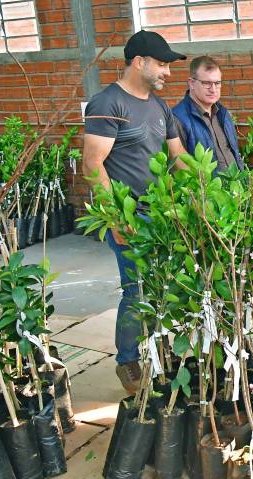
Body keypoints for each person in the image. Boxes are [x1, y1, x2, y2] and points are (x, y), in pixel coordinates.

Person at [82, 30, 187, 394]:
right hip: (130, 216)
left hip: (161, 216)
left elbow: (180, 158)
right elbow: (93, 166)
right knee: (137, 290)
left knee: (166, 287)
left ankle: (160, 350)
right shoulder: (107, 103)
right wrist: (117, 218)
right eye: (161, 64)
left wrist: (218, 189)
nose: (167, 73)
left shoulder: (159, 106)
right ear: (139, 62)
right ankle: (128, 361)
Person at [172, 55, 244, 174]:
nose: (213, 89)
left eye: (217, 83)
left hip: (235, 189)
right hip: (206, 191)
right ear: (192, 83)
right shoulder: (177, 119)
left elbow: (234, 154)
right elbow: (178, 168)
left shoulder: (223, 113)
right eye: (207, 83)